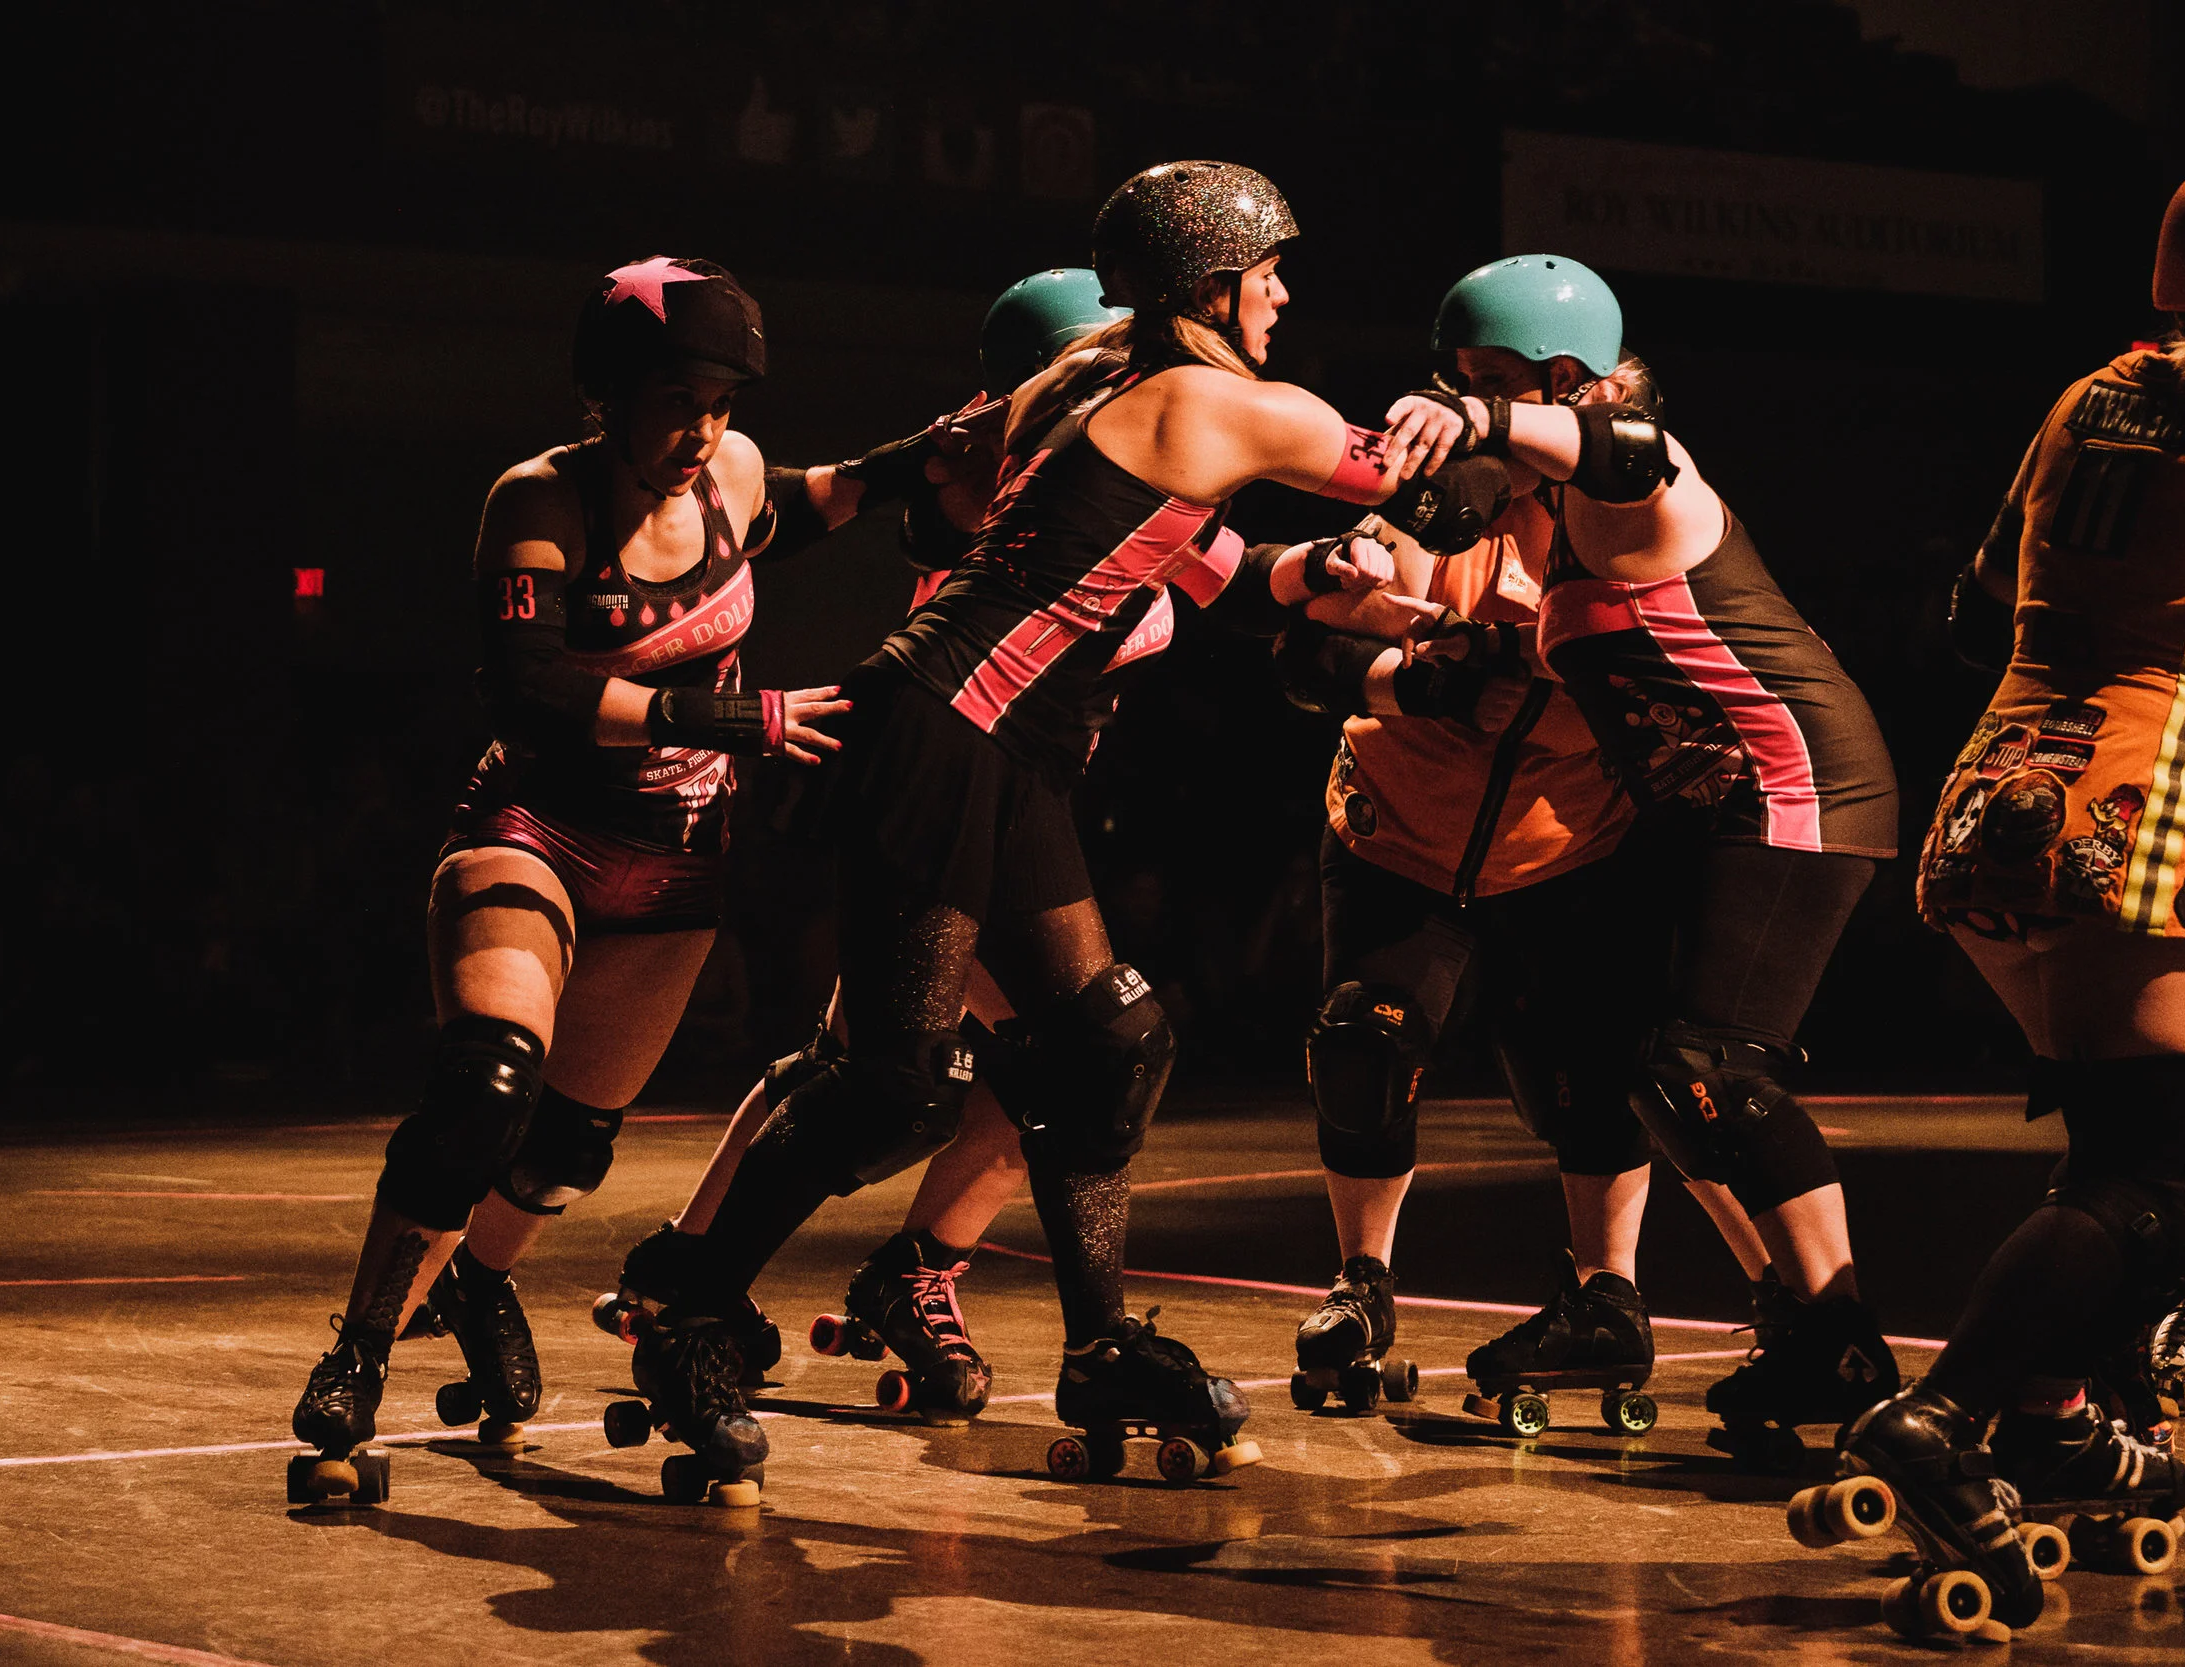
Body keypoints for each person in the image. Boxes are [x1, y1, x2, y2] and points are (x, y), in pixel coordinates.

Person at [654, 161, 1511, 1483]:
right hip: (951, 733)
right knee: (892, 1082)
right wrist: (1484, 414)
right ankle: (691, 1308)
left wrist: (1319, 571)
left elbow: (1213, 562)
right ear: (1210, 283)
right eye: (1269, 271)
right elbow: (1431, 489)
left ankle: (1102, 1342)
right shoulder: (1222, 400)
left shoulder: (1099, 381)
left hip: (1001, 745)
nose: (1284, 294)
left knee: (1110, 1042)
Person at [287, 256, 876, 1502]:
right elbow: (531, 688)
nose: (700, 429)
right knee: (484, 1086)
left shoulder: (733, 475)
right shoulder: (541, 498)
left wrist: (977, 438)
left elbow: (831, 496)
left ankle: (480, 1278)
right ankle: (360, 1353)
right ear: (607, 396)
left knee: (567, 1149)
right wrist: (733, 717)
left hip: (676, 861)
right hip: (538, 826)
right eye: (674, 400)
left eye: (720, 402)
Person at [1376, 255, 1903, 1464]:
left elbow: (1627, 446)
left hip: (1791, 783)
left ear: (1564, 380)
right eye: (1453, 381)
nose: (1463, 402)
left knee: (1709, 1064)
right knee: (1602, 1048)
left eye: (1486, 380)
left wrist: (1483, 423)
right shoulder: (1552, 517)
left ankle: (1841, 1338)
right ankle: (1706, 1310)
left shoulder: (1631, 481)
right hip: (1695, 809)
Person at [610, 269, 1133, 1428]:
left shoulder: (1103, 476)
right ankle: (887, 1273)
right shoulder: (1011, 492)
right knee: (1043, 1062)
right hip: (943, 803)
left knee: (867, 1062)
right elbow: (924, 522)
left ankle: (688, 1264)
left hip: (1008, 809)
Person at [1275, 335, 1774, 1422]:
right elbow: (1306, 655)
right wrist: (1424, 684)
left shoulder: (1643, 519)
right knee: (1363, 1043)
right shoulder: (1444, 505)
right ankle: (1360, 1283)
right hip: (1400, 829)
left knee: (1596, 1076)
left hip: (1567, 842)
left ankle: (1608, 1294)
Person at [1873, 174, 2185, 1628]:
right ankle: (1940, 1418)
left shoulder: (2087, 394)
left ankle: (2055, 1411)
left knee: (2130, 1157)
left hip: (2006, 783)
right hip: (2142, 798)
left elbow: (1974, 602)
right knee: (2152, 1179)